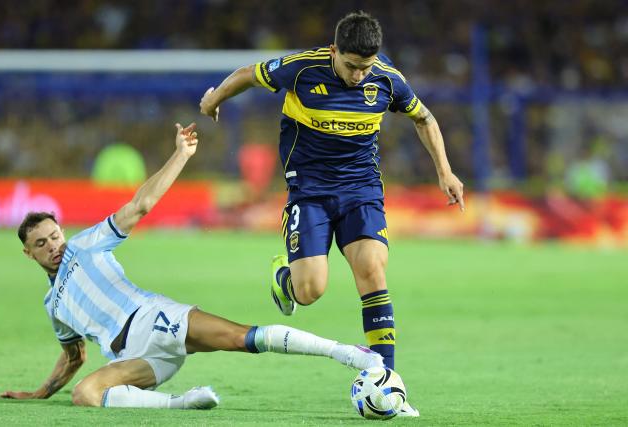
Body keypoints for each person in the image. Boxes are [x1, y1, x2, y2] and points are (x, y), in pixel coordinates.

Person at [0, 122, 383, 410]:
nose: (53, 246)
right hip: (134, 360)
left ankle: (346, 353)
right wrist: (40, 391)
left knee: (242, 338)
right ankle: (182, 402)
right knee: (84, 393)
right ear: (28, 254)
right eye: (41, 243)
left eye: (54, 236)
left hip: (154, 318)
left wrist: (181, 154)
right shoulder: (53, 306)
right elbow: (74, 357)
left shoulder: (85, 244)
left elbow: (140, 206)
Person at [199, 11, 465, 417]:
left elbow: (423, 118)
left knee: (373, 270)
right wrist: (215, 99)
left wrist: (444, 171)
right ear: (335, 50)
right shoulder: (301, 68)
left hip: (362, 192)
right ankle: (284, 277)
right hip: (310, 192)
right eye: (353, 66)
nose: (360, 75)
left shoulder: (388, 79)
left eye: (366, 67)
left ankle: (387, 382)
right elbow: (249, 73)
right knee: (310, 292)